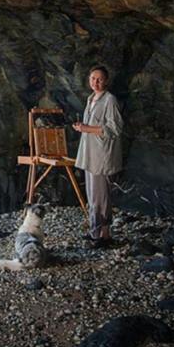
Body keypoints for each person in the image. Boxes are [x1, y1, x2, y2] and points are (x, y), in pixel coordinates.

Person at [72, 65, 124, 248]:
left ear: (106, 81)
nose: (96, 82)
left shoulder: (110, 100)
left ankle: (103, 236)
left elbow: (115, 128)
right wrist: (83, 127)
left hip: (102, 156)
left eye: (100, 79)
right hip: (90, 154)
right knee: (93, 195)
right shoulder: (91, 99)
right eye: (93, 78)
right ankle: (98, 233)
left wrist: (86, 129)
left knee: (100, 197)